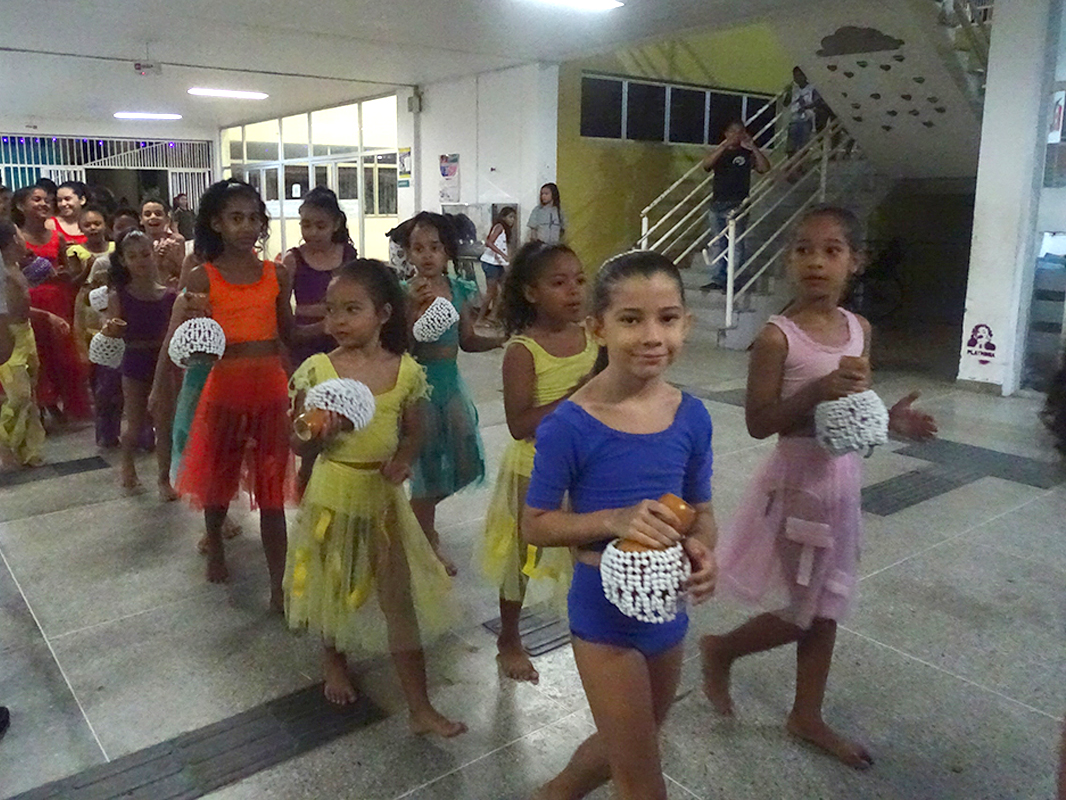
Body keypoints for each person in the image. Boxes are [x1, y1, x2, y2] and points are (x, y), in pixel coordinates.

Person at [702, 205, 937, 769]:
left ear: (855, 261)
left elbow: (851, 411)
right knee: (806, 605)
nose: (816, 262)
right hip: (796, 487)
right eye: (804, 249)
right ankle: (722, 649)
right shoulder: (777, 338)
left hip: (841, 484)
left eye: (832, 250)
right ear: (789, 260)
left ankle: (806, 714)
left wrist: (887, 420)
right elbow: (760, 422)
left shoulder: (860, 330)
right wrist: (817, 390)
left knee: (828, 602)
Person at [523, 250, 717, 800]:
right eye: (631, 319)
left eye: (667, 318)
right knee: (641, 779)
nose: (653, 336)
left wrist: (704, 551)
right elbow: (534, 525)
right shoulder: (570, 424)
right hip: (603, 614)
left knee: (636, 738)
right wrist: (614, 518)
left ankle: (556, 793)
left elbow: (702, 512)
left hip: (667, 606)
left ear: (686, 324)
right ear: (598, 329)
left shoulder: (691, 416)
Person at [285, 259, 466, 737]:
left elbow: (415, 431)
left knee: (398, 600)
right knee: (334, 584)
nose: (338, 321)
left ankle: (420, 705)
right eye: (331, 310)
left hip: (383, 500)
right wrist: (316, 432)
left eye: (352, 309)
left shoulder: (405, 372)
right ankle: (333, 659)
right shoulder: (318, 371)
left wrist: (403, 459)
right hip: (333, 494)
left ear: (384, 314)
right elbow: (296, 442)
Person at [159, 179, 293, 609]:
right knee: (218, 483)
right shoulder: (203, 277)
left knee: (273, 494)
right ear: (216, 223)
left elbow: (289, 336)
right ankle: (214, 540)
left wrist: (335, 327)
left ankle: (278, 585)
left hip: (271, 394)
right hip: (224, 394)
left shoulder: (276, 274)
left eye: (253, 218)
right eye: (236, 218)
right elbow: (187, 341)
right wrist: (190, 326)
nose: (247, 227)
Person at [479, 241, 596, 684]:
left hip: (587, 467)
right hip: (536, 467)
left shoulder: (594, 336)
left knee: (588, 550)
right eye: (559, 282)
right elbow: (520, 424)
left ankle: (595, 632)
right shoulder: (523, 350)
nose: (574, 290)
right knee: (522, 556)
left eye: (579, 280)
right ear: (531, 293)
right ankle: (509, 637)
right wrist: (575, 397)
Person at [401, 212, 504, 575]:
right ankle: (426, 541)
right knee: (427, 469)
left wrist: (502, 339)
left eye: (435, 247)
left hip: (451, 383)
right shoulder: (404, 293)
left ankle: (413, 517)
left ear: (447, 252)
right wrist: (410, 308)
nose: (427, 255)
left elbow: (467, 340)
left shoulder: (459, 289)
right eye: (418, 248)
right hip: (419, 386)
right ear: (408, 254)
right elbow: (401, 346)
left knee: (466, 462)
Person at [107, 230, 177, 497]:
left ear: (154, 255)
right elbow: (114, 329)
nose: (140, 261)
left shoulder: (169, 295)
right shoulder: (119, 295)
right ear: (123, 261)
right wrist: (110, 329)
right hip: (134, 361)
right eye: (133, 256)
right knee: (135, 424)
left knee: (165, 423)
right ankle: (127, 464)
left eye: (145, 255)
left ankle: (164, 479)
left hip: (163, 361)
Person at [13, 185, 91, 423]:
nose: (44, 204)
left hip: (59, 301)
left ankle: (66, 406)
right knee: (38, 359)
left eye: (46, 200)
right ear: (20, 206)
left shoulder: (58, 237)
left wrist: (73, 273)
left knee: (65, 358)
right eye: (36, 200)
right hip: (31, 305)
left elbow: (66, 273)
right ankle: (41, 408)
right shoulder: (16, 238)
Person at [282, 186, 358, 367]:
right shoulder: (293, 260)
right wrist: (319, 327)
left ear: (336, 224)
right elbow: (282, 313)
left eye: (321, 226)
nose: (313, 233)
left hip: (342, 341)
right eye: (306, 225)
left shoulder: (347, 254)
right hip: (304, 343)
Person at [700, 119, 770, 292]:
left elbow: (764, 168)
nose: (736, 135)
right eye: (733, 131)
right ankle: (718, 278)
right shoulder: (720, 153)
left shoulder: (746, 154)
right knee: (718, 243)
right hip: (717, 203)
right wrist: (724, 146)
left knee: (735, 245)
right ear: (726, 133)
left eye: (740, 132)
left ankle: (733, 281)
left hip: (737, 204)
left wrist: (753, 147)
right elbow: (706, 165)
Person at [0, 223, 45, 469]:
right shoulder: (3, 273)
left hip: (26, 332)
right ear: (13, 240)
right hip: (9, 334)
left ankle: (28, 449)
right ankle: (4, 441)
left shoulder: (15, 266)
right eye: (18, 233)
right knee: (19, 395)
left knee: (30, 395)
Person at [477, 206, 518, 326]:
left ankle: (493, 316)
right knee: (491, 292)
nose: (512, 220)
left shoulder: (505, 231)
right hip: (491, 263)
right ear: (503, 217)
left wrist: (506, 259)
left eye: (514, 218)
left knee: (503, 289)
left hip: (497, 263)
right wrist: (503, 255)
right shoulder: (499, 227)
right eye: (510, 217)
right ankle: (480, 319)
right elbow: (489, 242)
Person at [140, 198, 185, 287]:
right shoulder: (138, 243)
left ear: (167, 219)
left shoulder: (177, 240)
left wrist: (176, 260)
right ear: (141, 219)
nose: (153, 217)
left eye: (158, 214)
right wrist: (155, 259)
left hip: (177, 290)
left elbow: (185, 277)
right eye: (147, 214)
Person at [786, 67, 819, 157]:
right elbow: (785, 103)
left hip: (807, 118)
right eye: (795, 76)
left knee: (804, 141)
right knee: (791, 141)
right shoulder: (793, 89)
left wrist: (805, 107)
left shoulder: (812, 88)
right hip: (794, 119)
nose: (798, 78)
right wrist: (788, 93)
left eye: (800, 75)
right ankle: (791, 158)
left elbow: (816, 102)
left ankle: (802, 160)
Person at [54, 181, 89, 245]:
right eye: (59, 200)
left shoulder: (92, 222)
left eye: (67, 199)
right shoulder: (51, 224)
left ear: (82, 200)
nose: (63, 204)